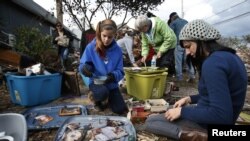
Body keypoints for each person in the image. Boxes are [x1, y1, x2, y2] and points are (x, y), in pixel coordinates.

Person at [143, 19, 247, 141]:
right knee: (165, 112)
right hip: (216, 117)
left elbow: (221, 115)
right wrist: (190, 99)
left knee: (151, 122)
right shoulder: (230, 56)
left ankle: (198, 136)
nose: (187, 52)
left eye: (188, 46)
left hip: (211, 124)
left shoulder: (212, 64)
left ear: (201, 41)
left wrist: (183, 112)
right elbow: (217, 93)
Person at [79, 19, 127, 115]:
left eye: (110, 37)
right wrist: (85, 68)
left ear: (115, 35)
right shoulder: (91, 47)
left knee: (120, 109)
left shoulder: (117, 50)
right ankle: (96, 98)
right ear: (100, 33)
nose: (106, 39)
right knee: (102, 93)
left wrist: (113, 76)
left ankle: (108, 97)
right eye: (104, 36)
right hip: (96, 81)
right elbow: (82, 65)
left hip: (111, 82)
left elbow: (120, 71)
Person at [169, 12, 195, 82]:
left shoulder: (173, 23)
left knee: (178, 63)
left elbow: (170, 35)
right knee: (188, 61)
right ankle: (192, 76)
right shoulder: (186, 21)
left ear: (172, 18)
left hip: (178, 44)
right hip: (188, 45)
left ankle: (179, 78)